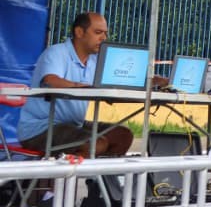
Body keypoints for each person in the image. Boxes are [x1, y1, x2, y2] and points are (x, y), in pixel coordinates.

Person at [17, 12, 154, 158]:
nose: (104, 38)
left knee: (122, 135)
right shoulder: (57, 52)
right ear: (79, 32)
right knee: (96, 144)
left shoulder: (95, 60)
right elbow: (50, 80)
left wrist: (154, 80)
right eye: (98, 32)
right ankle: (66, 172)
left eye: (105, 33)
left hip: (74, 124)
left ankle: (96, 172)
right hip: (40, 128)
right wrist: (82, 87)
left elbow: (119, 79)